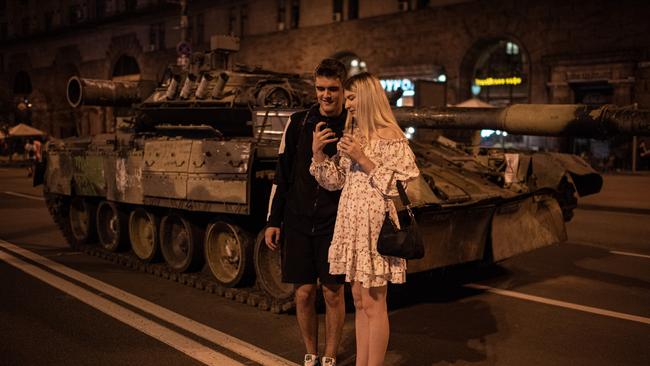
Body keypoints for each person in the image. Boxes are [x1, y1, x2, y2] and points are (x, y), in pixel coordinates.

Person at [310, 72, 419, 366]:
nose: (347, 103)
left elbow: (405, 185)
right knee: (359, 301)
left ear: (368, 98)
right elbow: (336, 181)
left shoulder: (391, 137)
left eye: (352, 97)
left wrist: (364, 158)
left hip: (376, 227)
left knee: (374, 303)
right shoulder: (355, 135)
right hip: (351, 224)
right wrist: (318, 155)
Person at [265, 59, 348, 366]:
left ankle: (330, 355)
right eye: (320, 88)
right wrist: (274, 220)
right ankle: (311, 352)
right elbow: (282, 174)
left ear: (343, 88)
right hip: (298, 219)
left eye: (333, 89)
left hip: (333, 224)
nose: (326, 95)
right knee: (302, 293)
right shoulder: (299, 122)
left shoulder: (352, 125)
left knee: (332, 293)